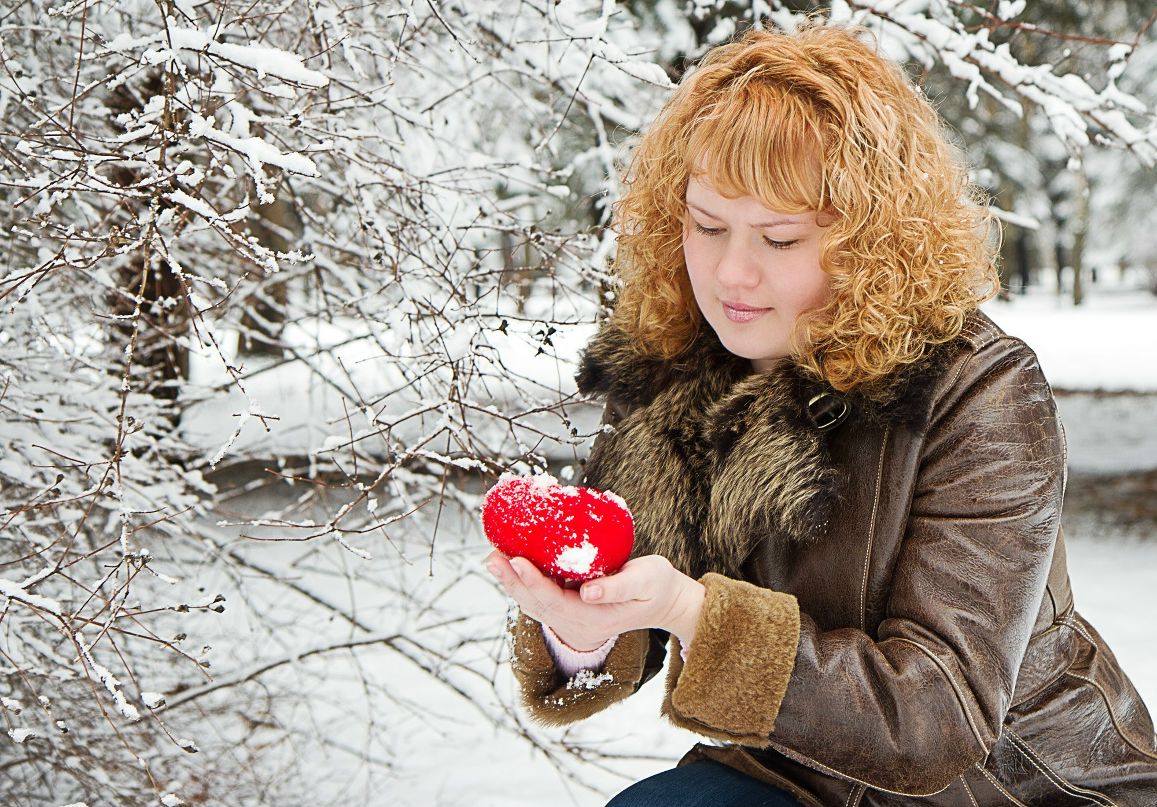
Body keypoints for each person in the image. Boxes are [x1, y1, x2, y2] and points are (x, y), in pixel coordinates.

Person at [484, 23, 1157, 807]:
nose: (730, 273)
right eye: (706, 225)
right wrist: (581, 626)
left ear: (871, 240)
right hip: (791, 770)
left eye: (779, 236)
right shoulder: (673, 368)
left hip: (1008, 789)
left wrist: (696, 610)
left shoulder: (981, 390)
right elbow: (619, 637)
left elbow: (933, 724)